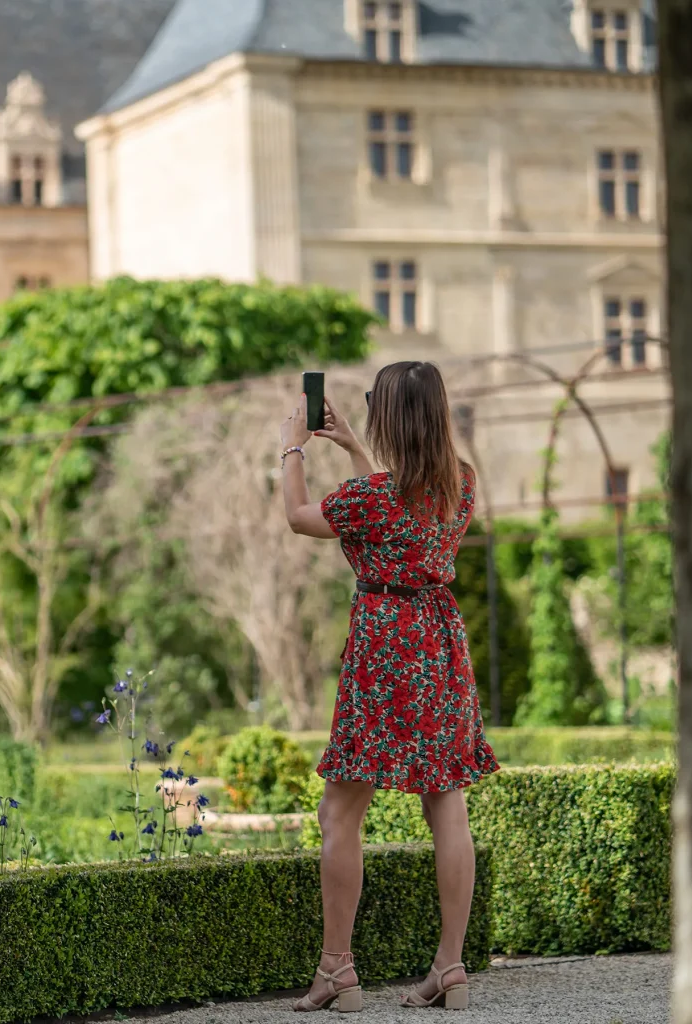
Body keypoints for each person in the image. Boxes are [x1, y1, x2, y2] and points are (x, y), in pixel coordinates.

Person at [279, 361, 499, 1013]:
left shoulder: (370, 500)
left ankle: (337, 970)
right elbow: (397, 509)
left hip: (383, 644)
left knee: (341, 812)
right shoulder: (461, 485)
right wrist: (350, 446)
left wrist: (293, 443)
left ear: (391, 417)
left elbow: (299, 515)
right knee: (447, 806)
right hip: (439, 641)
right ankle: (450, 968)